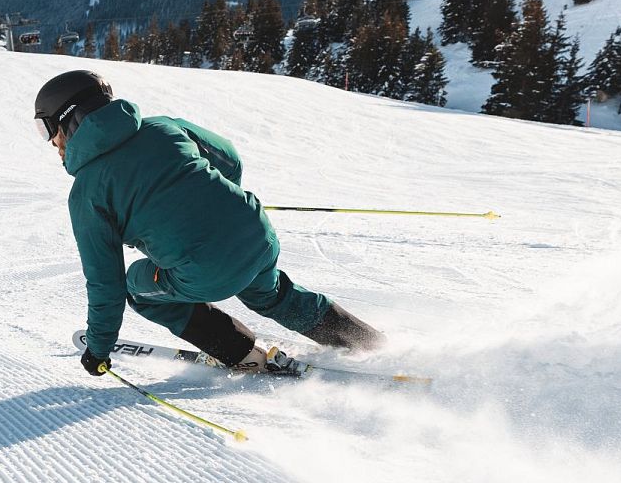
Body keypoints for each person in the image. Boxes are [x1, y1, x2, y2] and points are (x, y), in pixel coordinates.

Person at [33, 70, 385, 377]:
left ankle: (240, 352)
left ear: (69, 120)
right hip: (255, 232)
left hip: (205, 270)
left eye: (47, 128)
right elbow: (230, 160)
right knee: (271, 294)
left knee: (137, 287)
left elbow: (106, 284)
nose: (51, 142)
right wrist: (214, 205)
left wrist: (98, 349)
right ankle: (369, 344)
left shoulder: (87, 194)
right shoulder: (163, 126)